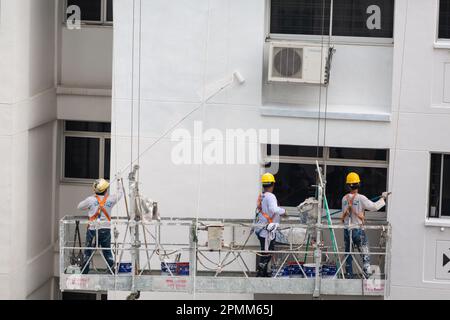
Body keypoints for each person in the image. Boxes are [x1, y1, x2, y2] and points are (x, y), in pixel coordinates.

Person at [341, 172, 389, 278]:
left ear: (348, 185)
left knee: (348, 254)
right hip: (357, 230)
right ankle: (367, 274)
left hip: (347, 231)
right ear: (358, 184)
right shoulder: (361, 198)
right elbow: (374, 207)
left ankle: (349, 275)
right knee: (365, 253)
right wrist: (383, 198)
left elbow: (344, 215)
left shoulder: (344, 199)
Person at [77, 178, 123, 274]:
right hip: (105, 229)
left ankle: (85, 270)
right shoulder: (111, 199)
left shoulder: (90, 200)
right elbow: (120, 194)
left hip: (92, 229)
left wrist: (91, 203)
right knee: (106, 250)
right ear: (106, 190)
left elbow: (80, 206)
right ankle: (111, 270)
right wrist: (119, 183)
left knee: (88, 250)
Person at [254, 173, 287, 277]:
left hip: (260, 229)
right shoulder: (271, 196)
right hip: (266, 230)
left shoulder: (262, 195)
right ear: (272, 184)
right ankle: (261, 272)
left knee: (265, 251)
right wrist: (284, 211)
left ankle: (262, 272)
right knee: (268, 252)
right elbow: (273, 209)